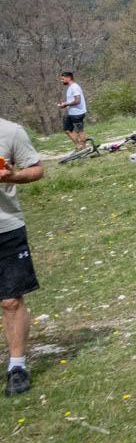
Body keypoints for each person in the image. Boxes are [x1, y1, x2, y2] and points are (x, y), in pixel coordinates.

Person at [1, 117, 43, 397]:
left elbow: (36, 169)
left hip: (5, 227)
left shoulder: (10, 132)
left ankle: (17, 367)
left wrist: (12, 177)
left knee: (11, 300)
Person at [58, 72, 88, 151]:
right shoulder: (70, 87)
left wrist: (66, 104)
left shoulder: (74, 87)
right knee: (66, 130)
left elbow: (77, 101)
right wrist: (65, 104)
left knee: (79, 131)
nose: (61, 81)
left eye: (63, 79)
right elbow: (72, 100)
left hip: (77, 113)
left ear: (69, 78)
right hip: (71, 112)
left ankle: (84, 149)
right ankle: (78, 146)